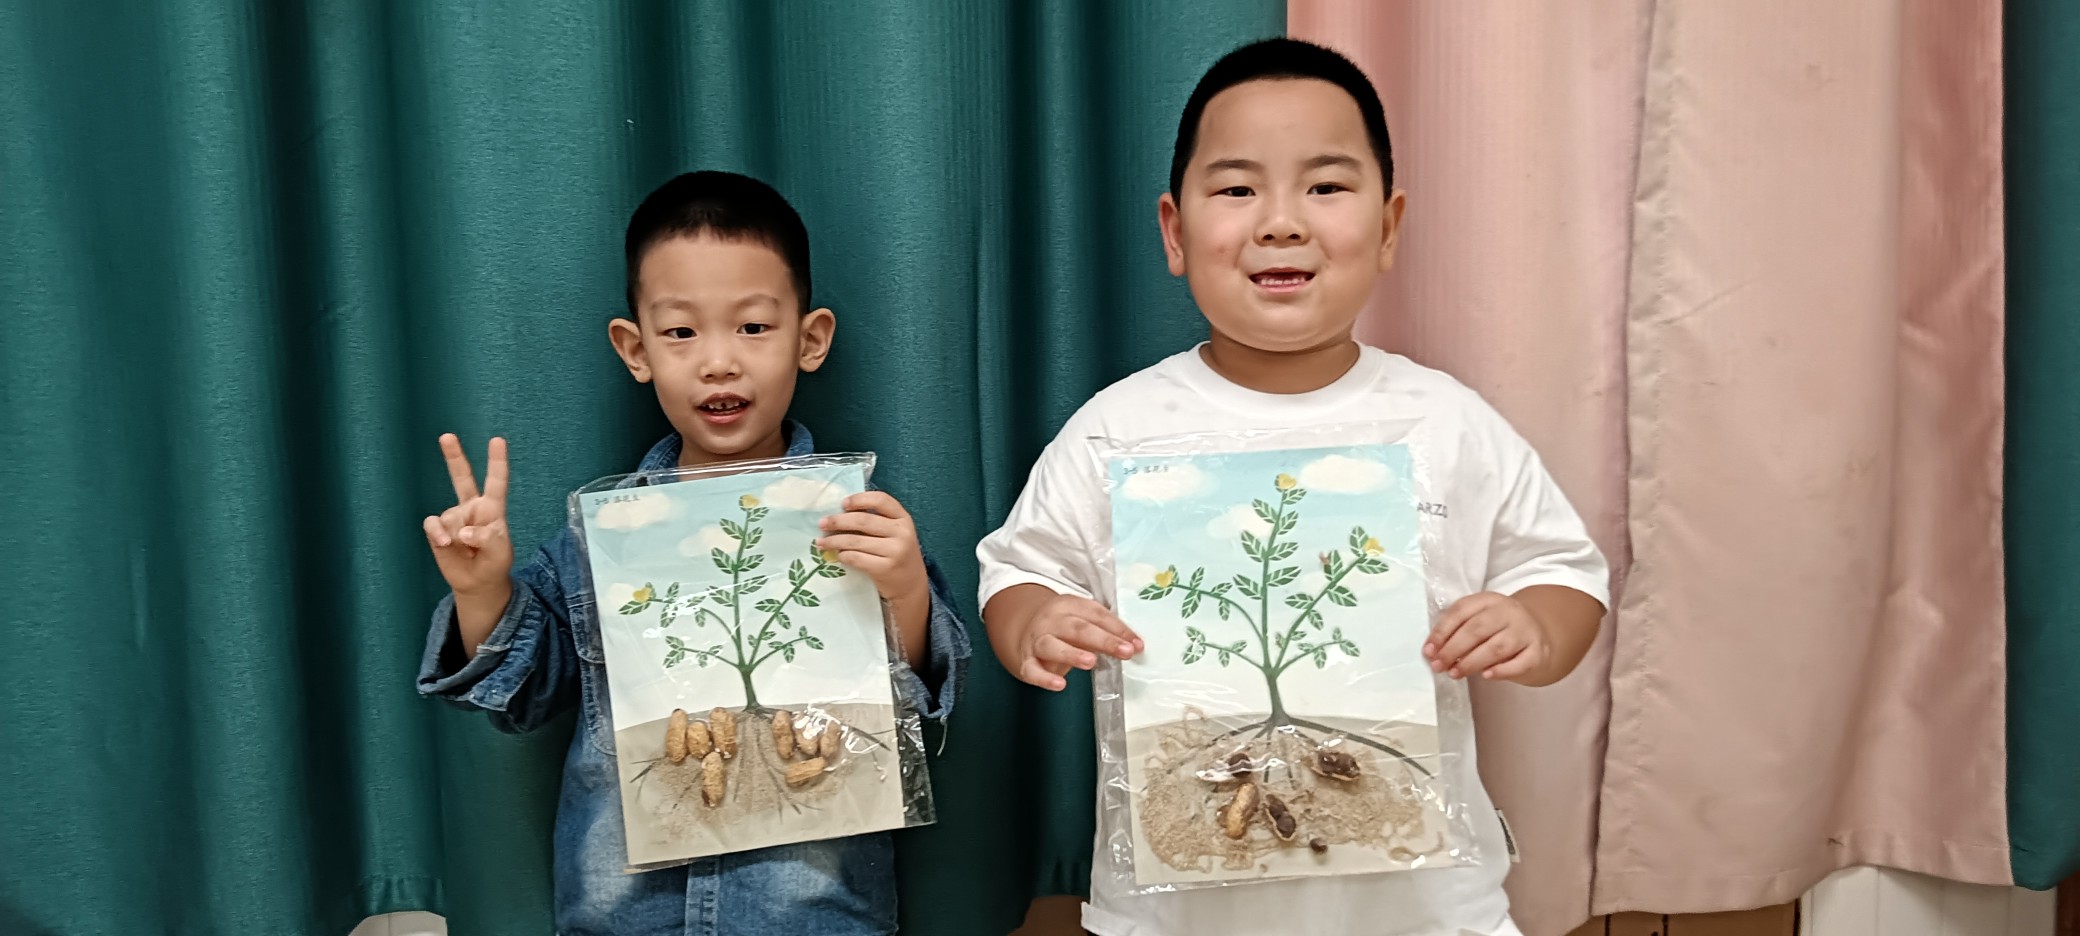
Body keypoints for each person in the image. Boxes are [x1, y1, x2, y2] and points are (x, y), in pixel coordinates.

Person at [976, 38, 1609, 936]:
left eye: (1326, 186)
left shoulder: (1446, 422)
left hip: (1427, 912)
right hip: (1175, 914)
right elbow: (1018, 569)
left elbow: (1565, 573)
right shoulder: (1119, 429)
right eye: (1238, 189)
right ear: (1174, 231)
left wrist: (1536, 625)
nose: (1280, 222)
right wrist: (1035, 621)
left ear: (1388, 228)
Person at [417, 170, 970, 935]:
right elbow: (523, 696)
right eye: (681, 332)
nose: (718, 361)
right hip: (623, 918)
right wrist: (483, 592)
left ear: (810, 339)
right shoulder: (603, 537)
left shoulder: (856, 522)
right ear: (635, 348)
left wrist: (905, 592)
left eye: (753, 327)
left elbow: (918, 698)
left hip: (813, 917)